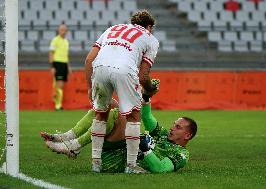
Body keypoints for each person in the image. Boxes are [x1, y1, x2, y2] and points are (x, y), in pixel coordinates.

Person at [40, 91, 198, 173]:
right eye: (174, 124)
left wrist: (146, 150)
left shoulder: (181, 154)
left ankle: (75, 146)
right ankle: (69, 137)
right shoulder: (163, 135)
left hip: (115, 162)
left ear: (187, 135)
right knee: (108, 103)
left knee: (120, 113)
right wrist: (147, 96)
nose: (172, 127)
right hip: (118, 147)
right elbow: (147, 116)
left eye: (178, 127)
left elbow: (161, 169)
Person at [84, 10, 159, 173]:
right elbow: (143, 75)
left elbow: (89, 59)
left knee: (100, 114)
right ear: (149, 26)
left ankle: (96, 164)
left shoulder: (112, 28)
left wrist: (89, 86)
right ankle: (131, 165)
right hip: (125, 70)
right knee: (134, 116)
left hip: (99, 67)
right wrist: (151, 88)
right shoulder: (150, 38)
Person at [49, 24, 71, 111]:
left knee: (61, 85)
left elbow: (66, 55)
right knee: (59, 84)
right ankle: (58, 105)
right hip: (57, 63)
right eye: (62, 29)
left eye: (65, 30)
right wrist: (52, 66)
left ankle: (58, 104)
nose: (63, 31)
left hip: (64, 64)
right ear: (58, 30)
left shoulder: (66, 42)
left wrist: (68, 67)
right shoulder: (55, 40)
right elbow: (51, 53)